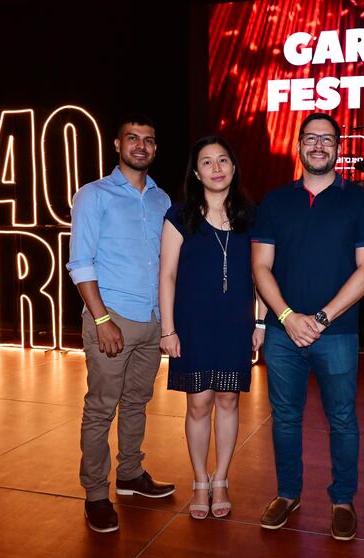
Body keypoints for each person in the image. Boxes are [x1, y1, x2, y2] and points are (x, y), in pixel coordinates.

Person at [251, 112, 364, 541]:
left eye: (327, 139)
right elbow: (260, 266)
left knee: (342, 419)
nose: (319, 146)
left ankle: (342, 500)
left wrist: (322, 318)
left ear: (339, 148)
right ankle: (288, 494)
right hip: (282, 332)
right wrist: (287, 317)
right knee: (285, 418)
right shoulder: (275, 201)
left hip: (338, 334)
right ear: (299, 146)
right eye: (311, 138)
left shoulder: (360, 202)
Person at [67, 114, 175, 534]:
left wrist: (166, 322)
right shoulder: (94, 195)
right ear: (117, 144)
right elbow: (80, 262)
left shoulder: (162, 200)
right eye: (133, 138)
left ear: (155, 148)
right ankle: (96, 494)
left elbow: (167, 264)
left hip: (151, 320)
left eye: (148, 139)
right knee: (100, 409)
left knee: (136, 402)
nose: (140, 146)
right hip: (112, 319)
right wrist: (101, 319)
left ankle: (130, 474)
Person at [159, 135, 267, 520]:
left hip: (236, 323)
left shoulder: (251, 217)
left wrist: (261, 321)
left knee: (228, 399)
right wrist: (168, 330)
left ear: (233, 168)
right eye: (207, 162)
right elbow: (167, 275)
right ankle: (199, 481)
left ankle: (221, 478)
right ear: (196, 172)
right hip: (192, 323)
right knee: (198, 402)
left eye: (223, 160)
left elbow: (262, 273)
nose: (216, 168)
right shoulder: (179, 215)